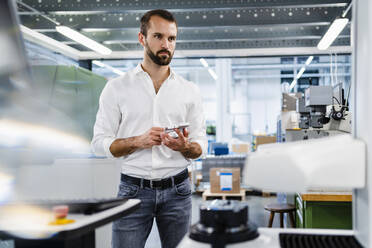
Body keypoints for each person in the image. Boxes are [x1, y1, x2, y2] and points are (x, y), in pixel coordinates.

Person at [91, 9, 207, 248]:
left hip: (178, 191)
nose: (166, 44)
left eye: (172, 38)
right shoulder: (116, 88)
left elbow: (200, 145)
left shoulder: (189, 91)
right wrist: (138, 141)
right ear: (142, 38)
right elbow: (99, 144)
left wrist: (185, 146)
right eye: (158, 36)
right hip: (133, 190)